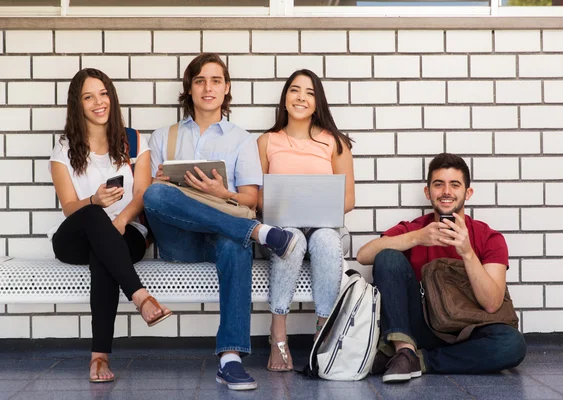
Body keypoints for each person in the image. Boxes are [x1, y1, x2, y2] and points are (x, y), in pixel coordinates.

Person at [142, 53, 298, 391]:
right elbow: (150, 197)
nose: (207, 88)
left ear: (226, 89)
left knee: (234, 244)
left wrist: (220, 191)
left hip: (220, 236)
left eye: (215, 81)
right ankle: (256, 232)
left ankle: (230, 359)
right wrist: (164, 184)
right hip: (178, 239)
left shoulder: (242, 139)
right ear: (189, 89)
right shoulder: (162, 137)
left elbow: (251, 200)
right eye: (200, 81)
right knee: (154, 196)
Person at [356, 153, 526, 382]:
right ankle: (404, 349)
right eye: (439, 184)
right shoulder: (415, 229)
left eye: (454, 185)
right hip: (422, 327)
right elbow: (363, 255)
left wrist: (467, 252)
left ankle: (419, 360)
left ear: (468, 193)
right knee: (387, 256)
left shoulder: (489, 238)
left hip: (469, 331)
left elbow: (492, 303)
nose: (446, 191)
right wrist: (416, 238)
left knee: (512, 345)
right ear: (428, 192)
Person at [48, 68, 172, 383]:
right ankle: (142, 297)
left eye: (103, 94)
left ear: (112, 98)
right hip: (77, 237)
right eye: (88, 97)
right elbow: (69, 208)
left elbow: (143, 194)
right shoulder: (64, 150)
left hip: (127, 233)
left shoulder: (132, 141)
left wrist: (119, 219)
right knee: (91, 215)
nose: (99, 102)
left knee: (103, 255)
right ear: (77, 105)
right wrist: (95, 201)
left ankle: (99, 358)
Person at [256, 69, 355, 372]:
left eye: (310, 93)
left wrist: (316, 207)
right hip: (282, 230)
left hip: (325, 227)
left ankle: (323, 334)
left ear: (318, 102)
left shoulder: (334, 143)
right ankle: (278, 335)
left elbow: (348, 200)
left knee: (325, 239)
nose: (301, 97)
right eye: (295, 90)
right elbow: (257, 198)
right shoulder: (267, 142)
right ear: (284, 99)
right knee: (292, 240)